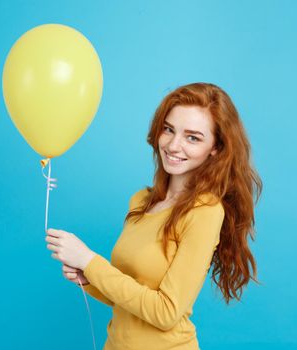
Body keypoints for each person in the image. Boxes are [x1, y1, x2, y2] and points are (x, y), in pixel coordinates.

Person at [45, 82, 263, 349]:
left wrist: (90, 261)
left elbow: (166, 312)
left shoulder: (204, 211)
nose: (173, 145)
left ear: (216, 148)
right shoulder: (141, 201)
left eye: (192, 137)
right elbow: (130, 298)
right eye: (169, 130)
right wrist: (90, 279)